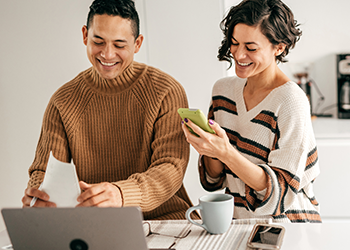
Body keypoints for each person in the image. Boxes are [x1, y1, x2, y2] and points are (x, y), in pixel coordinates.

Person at [22, 0, 198, 220]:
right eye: (98, 41)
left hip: (164, 220)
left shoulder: (166, 91)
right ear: (85, 36)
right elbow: (45, 171)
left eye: (119, 45)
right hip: (95, 225)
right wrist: (41, 196)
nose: (107, 54)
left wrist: (121, 194)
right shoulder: (63, 101)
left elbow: (170, 168)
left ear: (137, 43)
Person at [181, 0, 321, 223]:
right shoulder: (222, 90)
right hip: (238, 223)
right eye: (234, 43)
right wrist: (209, 148)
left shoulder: (291, 101)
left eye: (251, 48)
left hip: (288, 227)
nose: (238, 54)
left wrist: (227, 152)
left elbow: (280, 193)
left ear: (279, 47)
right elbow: (214, 179)